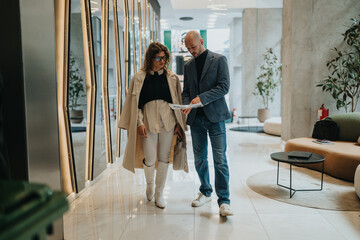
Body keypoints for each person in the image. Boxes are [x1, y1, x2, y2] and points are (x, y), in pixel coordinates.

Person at [119, 42, 187, 209]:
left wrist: (179, 124)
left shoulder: (172, 77)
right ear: (150, 58)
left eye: (164, 58)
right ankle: (149, 185)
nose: (162, 61)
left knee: (164, 158)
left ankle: (159, 193)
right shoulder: (139, 78)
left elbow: (176, 102)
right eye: (158, 58)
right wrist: (139, 123)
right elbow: (136, 105)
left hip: (168, 123)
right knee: (150, 159)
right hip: (147, 123)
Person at [181, 31, 233, 216]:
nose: (191, 51)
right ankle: (205, 191)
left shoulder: (219, 60)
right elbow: (186, 91)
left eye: (193, 47)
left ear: (201, 41)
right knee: (200, 159)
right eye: (188, 49)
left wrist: (200, 98)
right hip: (196, 120)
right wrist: (187, 103)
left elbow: (224, 86)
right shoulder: (188, 66)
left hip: (216, 118)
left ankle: (224, 201)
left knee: (220, 160)